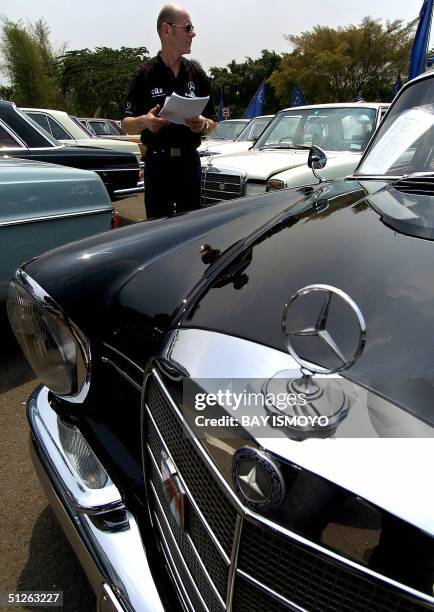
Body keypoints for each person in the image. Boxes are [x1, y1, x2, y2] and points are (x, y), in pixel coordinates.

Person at [122, 4, 216, 219]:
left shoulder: (197, 74)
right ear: (167, 30)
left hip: (189, 163)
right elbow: (126, 123)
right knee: (157, 233)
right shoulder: (144, 74)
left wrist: (202, 124)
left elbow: (213, 124)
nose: (193, 34)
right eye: (188, 28)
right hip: (158, 164)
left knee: (190, 230)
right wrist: (145, 121)